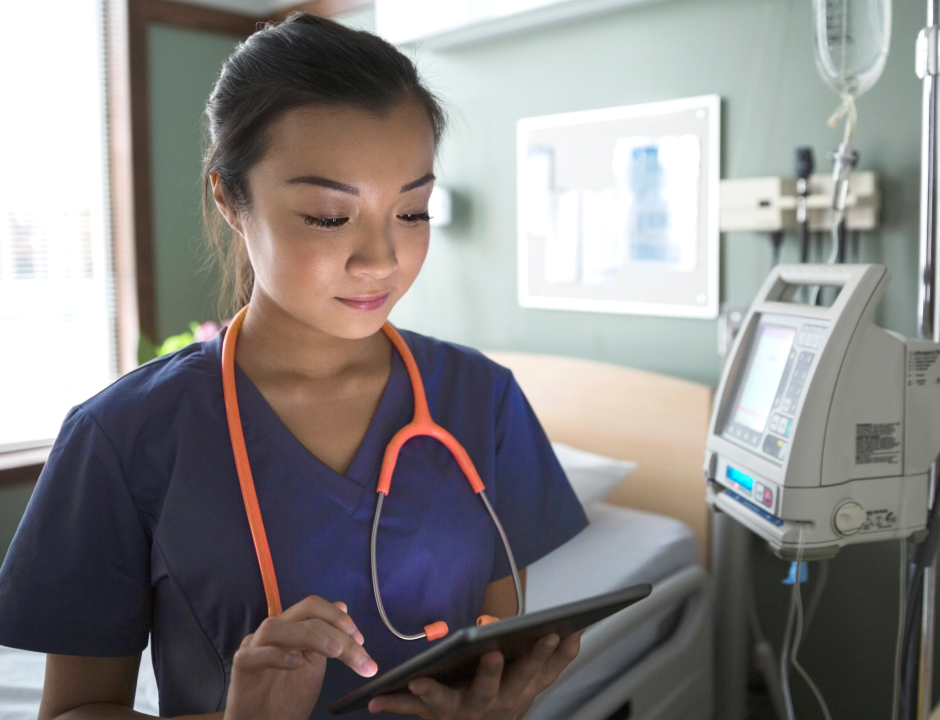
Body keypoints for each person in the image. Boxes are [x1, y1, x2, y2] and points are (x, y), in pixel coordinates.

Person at [0, 14, 588, 720]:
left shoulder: (482, 400)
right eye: (329, 217)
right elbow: (72, 712)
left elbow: (496, 648)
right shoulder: (123, 435)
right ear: (229, 199)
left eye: (413, 210)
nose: (381, 260)